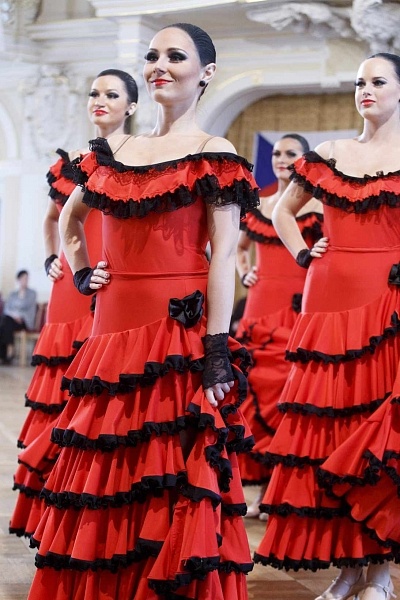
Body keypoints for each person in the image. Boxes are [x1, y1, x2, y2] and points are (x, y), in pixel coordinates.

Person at [27, 23, 259, 600]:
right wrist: (82, 272)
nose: (160, 65)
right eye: (153, 55)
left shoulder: (215, 154)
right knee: (105, 467)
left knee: (170, 474)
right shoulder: (113, 152)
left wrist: (216, 347)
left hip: (176, 336)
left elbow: (223, 255)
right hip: (111, 331)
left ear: (206, 72)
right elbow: (70, 220)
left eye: (176, 56)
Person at [254, 52, 400, 600]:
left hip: (388, 299)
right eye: (360, 82)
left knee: (375, 430)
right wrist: (302, 254)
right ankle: (347, 570)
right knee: (329, 428)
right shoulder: (331, 153)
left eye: (378, 81)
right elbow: (281, 210)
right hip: (329, 297)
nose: (366, 90)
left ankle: (379, 571)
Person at [9, 69, 138, 539]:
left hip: (114, 278)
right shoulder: (70, 165)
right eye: (94, 93)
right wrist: (51, 258)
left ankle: (90, 505)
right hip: (71, 282)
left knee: (101, 388)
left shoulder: (140, 158)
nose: (99, 100)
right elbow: (53, 219)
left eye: (112, 94)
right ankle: (49, 507)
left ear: (132, 106)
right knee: (61, 385)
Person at [235, 134, 323, 518]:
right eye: (276, 153)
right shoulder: (259, 204)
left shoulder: (319, 206)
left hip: (298, 307)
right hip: (258, 306)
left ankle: (281, 490)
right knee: (252, 391)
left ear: (305, 159)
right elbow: (238, 248)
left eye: (291, 153)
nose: (282, 158)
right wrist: (245, 273)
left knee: (288, 395)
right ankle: (259, 489)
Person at [0, 270, 37, 364]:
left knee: (5, 322)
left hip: (24, 321)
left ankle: (9, 350)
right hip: (11, 320)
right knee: (5, 321)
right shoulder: (13, 294)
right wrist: (14, 315)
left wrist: (19, 316)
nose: (26, 280)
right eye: (23, 278)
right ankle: (7, 352)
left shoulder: (32, 293)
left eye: (27, 278)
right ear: (19, 280)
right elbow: (6, 309)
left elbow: (30, 310)